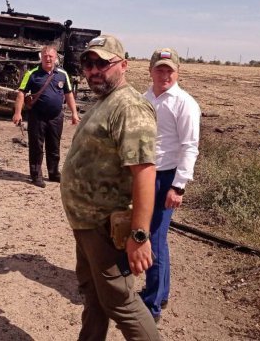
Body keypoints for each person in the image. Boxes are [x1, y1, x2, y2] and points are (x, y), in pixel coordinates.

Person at [61, 35, 162, 341]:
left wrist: (139, 235)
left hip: (105, 226)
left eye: (102, 63)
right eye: (88, 64)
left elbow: (145, 173)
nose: (93, 70)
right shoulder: (106, 101)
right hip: (87, 224)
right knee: (95, 295)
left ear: (123, 65)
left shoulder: (130, 107)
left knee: (122, 303)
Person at [140, 47, 201, 321]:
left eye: (169, 70)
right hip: (145, 175)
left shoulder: (184, 103)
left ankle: (152, 305)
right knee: (152, 235)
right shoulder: (143, 99)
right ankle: (159, 294)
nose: (164, 74)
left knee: (154, 238)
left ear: (178, 72)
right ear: (151, 70)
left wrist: (178, 186)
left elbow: (190, 147)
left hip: (167, 177)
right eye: (159, 69)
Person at [12, 45, 79, 188]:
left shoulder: (62, 74)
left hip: (56, 117)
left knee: (54, 146)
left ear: (56, 58)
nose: (48, 58)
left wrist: (74, 113)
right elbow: (21, 93)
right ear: (41, 57)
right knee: (36, 147)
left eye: (51, 56)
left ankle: (54, 173)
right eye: (45, 56)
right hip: (37, 117)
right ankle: (36, 176)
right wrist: (17, 113)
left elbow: (68, 94)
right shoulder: (32, 74)